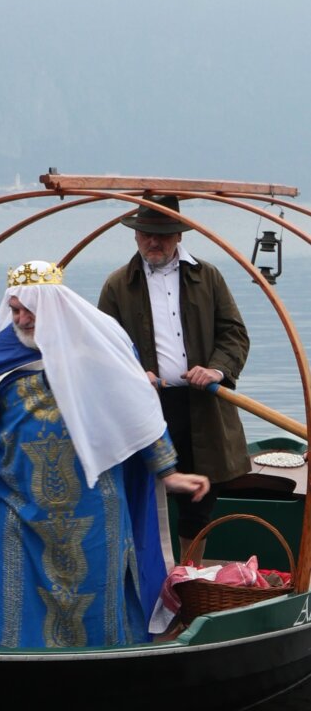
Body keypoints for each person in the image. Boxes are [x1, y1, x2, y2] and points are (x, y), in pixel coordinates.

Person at [0, 261, 209, 650]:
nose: (23, 319)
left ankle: (108, 674)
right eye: (15, 310)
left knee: (100, 602)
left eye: (30, 310)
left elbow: (138, 414)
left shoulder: (97, 353)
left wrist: (169, 472)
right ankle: (19, 680)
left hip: (95, 511)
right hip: (17, 512)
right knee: (21, 611)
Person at [97, 195, 251, 539]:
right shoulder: (118, 284)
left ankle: (192, 580)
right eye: (146, 234)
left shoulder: (207, 276)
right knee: (148, 493)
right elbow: (103, 348)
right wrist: (135, 374)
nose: (154, 241)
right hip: (146, 405)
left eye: (163, 234)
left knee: (200, 499)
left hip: (203, 403)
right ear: (135, 236)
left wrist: (216, 370)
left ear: (179, 235)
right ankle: (155, 581)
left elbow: (234, 333)